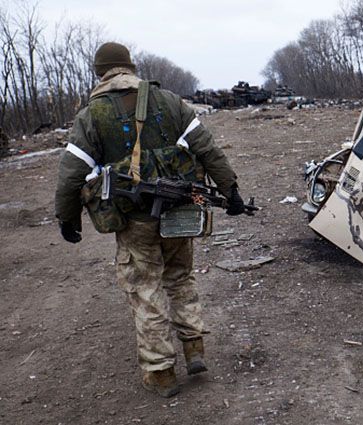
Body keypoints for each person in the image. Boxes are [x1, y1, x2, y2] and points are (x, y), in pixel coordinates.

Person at [55, 42, 245, 398]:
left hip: (134, 221)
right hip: (178, 214)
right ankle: (194, 350)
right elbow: (207, 148)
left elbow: (70, 175)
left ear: (100, 73)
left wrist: (68, 219)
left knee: (146, 290)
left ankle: (161, 372)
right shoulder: (169, 102)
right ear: (130, 66)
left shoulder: (92, 116)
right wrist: (230, 190)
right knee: (180, 278)